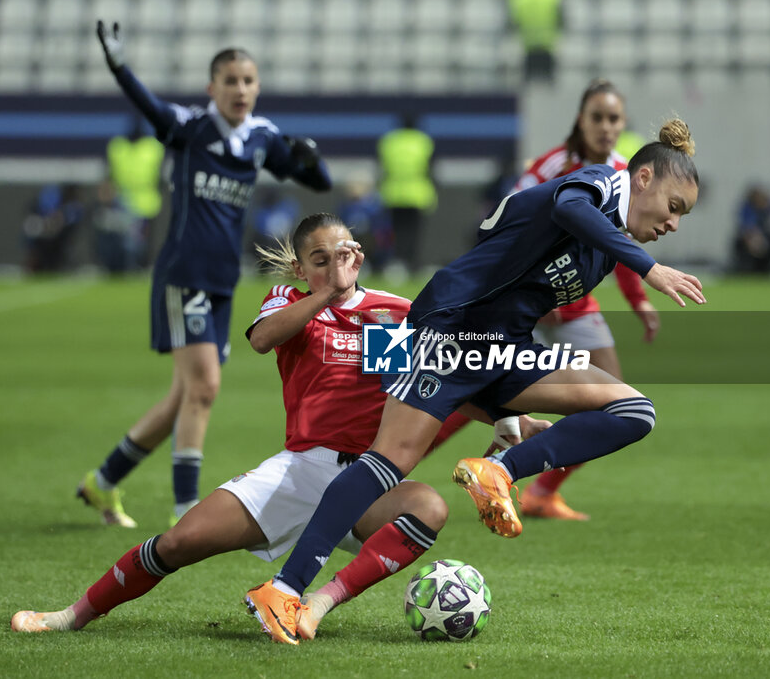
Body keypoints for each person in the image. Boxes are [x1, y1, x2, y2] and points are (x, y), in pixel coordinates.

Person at [243, 119, 706, 644]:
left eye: (683, 216)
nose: (673, 224)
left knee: (632, 411)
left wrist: (506, 412)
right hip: (452, 328)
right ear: (643, 177)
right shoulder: (598, 183)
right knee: (388, 462)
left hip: (503, 349)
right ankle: (284, 589)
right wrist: (649, 269)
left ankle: (500, 472)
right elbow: (565, 209)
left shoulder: (605, 247)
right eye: (674, 207)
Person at [11, 213, 546, 642]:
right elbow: (262, 339)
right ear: (300, 269)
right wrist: (327, 295)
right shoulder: (292, 304)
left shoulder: (392, 314)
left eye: (342, 255)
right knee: (178, 543)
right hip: (299, 469)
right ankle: (70, 615)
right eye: (319, 260)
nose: (334, 266)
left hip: (364, 480)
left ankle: (314, 603)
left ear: (358, 256)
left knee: (428, 507)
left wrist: (507, 416)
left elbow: (425, 385)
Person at [76, 21, 331, 529]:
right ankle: (185, 509)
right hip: (184, 274)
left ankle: (100, 484)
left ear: (257, 87)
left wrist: (311, 158)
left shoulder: (262, 137)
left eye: (248, 80)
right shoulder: (190, 126)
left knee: (183, 397)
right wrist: (119, 66)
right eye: (230, 80)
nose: (240, 89)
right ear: (211, 87)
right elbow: (148, 105)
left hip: (221, 282)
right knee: (206, 388)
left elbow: (316, 181)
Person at [512, 78, 661, 521]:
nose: (606, 126)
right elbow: (508, 228)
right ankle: (391, 472)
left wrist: (640, 302)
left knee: (615, 403)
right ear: (581, 119)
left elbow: (620, 241)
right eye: (597, 117)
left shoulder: (626, 173)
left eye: (613, 118)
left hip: (577, 306)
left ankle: (541, 492)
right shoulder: (548, 167)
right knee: (467, 395)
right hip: (526, 301)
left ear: (623, 123)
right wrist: (534, 288)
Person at [377, 115, 435, 275]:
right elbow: (431, 167)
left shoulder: (389, 141)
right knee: (414, 232)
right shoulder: (423, 141)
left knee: (396, 230)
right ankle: (412, 263)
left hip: (393, 192)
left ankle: (397, 262)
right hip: (417, 192)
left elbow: (381, 167)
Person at [106, 114, 164, 263]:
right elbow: (109, 174)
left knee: (142, 241)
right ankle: (128, 266)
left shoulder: (152, 147)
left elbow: (160, 176)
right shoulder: (118, 147)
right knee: (127, 241)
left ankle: (142, 264)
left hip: (147, 202)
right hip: (123, 201)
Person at [21, 183, 86, 274]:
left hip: (57, 240)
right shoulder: (35, 212)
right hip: (42, 239)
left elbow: (70, 219)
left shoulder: (70, 209)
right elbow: (29, 227)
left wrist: (58, 222)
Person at [92, 177, 146, 274]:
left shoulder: (122, 205)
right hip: (110, 248)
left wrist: (112, 223)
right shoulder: (97, 207)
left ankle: (131, 268)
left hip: (127, 247)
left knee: (127, 242)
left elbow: (130, 227)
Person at [508, 0, 564, 83]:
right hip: (547, 48)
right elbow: (562, 21)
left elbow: (512, 24)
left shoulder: (518, 0)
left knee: (527, 89)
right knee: (549, 88)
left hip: (529, 48)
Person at [731, 184, 770, 275]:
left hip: (765, 238)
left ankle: (767, 270)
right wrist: (754, 238)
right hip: (750, 237)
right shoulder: (747, 208)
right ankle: (744, 269)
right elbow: (746, 226)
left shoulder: (769, 209)